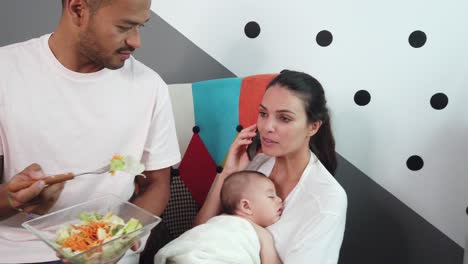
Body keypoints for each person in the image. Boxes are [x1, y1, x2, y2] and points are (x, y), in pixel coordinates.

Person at [0, 0, 181, 263]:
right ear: (77, 9)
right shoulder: (6, 73)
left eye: (140, 26)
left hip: (111, 250)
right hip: (20, 251)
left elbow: (157, 183)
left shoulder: (150, 86)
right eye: (124, 27)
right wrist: (12, 198)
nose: (136, 41)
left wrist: (118, 236)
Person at [194, 70, 348, 264]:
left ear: (313, 127)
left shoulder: (327, 200)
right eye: (263, 113)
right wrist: (228, 172)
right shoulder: (258, 164)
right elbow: (199, 233)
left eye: (284, 118)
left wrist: (263, 239)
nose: (267, 126)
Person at [154, 170, 283, 264]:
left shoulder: (216, 220)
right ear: (246, 206)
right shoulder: (260, 232)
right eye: (271, 197)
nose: (280, 200)